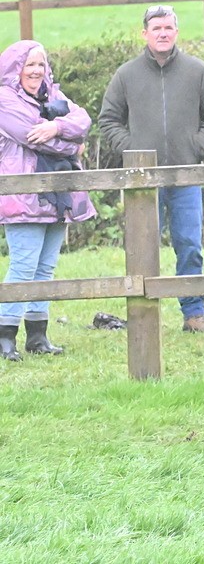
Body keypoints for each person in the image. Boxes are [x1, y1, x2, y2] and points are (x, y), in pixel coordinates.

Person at [100, 5, 204, 333]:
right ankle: (143, 313)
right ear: (144, 33)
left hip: (186, 177)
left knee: (189, 245)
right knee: (143, 248)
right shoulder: (126, 75)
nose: (162, 33)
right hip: (143, 180)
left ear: (176, 32)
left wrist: (196, 148)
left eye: (168, 28)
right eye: (156, 28)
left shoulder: (197, 71)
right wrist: (133, 151)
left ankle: (194, 314)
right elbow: (109, 120)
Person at [0, 42, 96, 361]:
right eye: (29, 65)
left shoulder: (54, 94)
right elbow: (30, 136)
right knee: (24, 266)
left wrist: (56, 125)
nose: (36, 71)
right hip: (24, 195)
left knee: (45, 268)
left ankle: (37, 337)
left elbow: (83, 120)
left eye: (41, 64)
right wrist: (73, 147)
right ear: (15, 69)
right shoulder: (4, 99)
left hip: (57, 193)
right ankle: (5, 336)